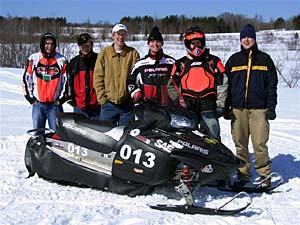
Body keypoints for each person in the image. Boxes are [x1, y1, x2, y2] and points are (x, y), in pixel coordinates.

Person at [225, 24, 278, 188]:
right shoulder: (234, 60)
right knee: (240, 144)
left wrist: (271, 107)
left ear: (254, 39)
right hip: (237, 109)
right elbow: (225, 86)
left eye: (249, 37)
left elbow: (272, 86)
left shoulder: (265, 59)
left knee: (259, 144)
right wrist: (226, 107)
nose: (246, 40)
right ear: (240, 39)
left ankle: (264, 175)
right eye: (244, 37)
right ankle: (243, 175)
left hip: (259, 109)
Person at [167, 25, 228, 140]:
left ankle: (215, 157)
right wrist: (177, 100)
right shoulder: (180, 64)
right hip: (189, 105)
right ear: (187, 44)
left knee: (213, 136)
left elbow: (223, 83)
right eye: (193, 43)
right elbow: (171, 84)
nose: (196, 46)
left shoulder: (213, 61)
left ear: (203, 43)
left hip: (208, 103)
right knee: (189, 138)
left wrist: (221, 103)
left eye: (198, 43)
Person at [93, 24, 140, 125]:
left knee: (125, 136)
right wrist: (102, 99)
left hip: (127, 105)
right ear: (113, 36)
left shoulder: (132, 53)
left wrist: (134, 96)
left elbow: (137, 76)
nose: (120, 37)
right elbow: (98, 77)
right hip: (108, 104)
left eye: (123, 34)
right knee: (106, 137)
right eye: (118, 34)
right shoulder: (104, 53)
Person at [23, 32, 68, 132]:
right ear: (42, 44)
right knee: (38, 134)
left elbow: (67, 82)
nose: (49, 46)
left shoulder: (62, 60)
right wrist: (31, 98)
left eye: (52, 44)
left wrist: (61, 99)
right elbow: (27, 80)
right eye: (47, 43)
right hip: (38, 105)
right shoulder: (33, 59)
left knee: (57, 135)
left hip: (54, 105)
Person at [128, 26, 175, 107]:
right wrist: (135, 92)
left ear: (162, 43)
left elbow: (179, 83)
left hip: (167, 107)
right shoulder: (140, 63)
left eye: (158, 41)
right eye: (152, 41)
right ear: (148, 44)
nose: (155, 44)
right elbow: (130, 82)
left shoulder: (171, 62)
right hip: (146, 107)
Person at [68, 33, 100, 120]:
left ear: (91, 45)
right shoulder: (74, 62)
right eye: (83, 46)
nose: (85, 48)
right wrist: (72, 99)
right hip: (79, 106)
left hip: (96, 106)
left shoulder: (99, 60)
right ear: (79, 46)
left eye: (87, 45)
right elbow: (69, 83)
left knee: (96, 132)